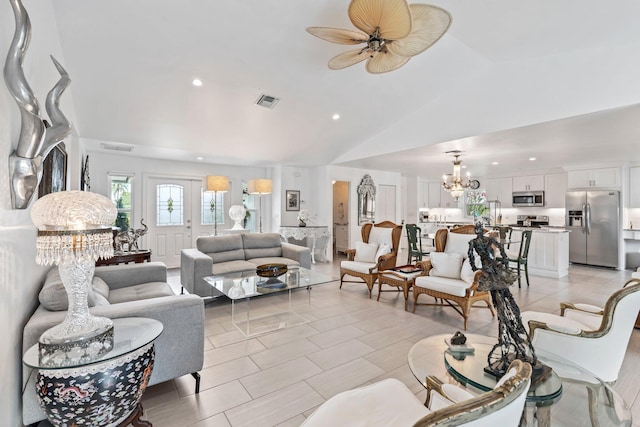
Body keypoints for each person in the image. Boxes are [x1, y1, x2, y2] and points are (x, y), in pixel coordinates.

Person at [468, 222, 539, 378]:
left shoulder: (478, 242)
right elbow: (497, 252)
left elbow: (473, 257)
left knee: (506, 304)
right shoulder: (482, 241)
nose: (478, 231)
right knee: (503, 304)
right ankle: (512, 339)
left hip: (492, 272)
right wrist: (503, 264)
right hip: (492, 272)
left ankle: (514, 337)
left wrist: (477, 268)